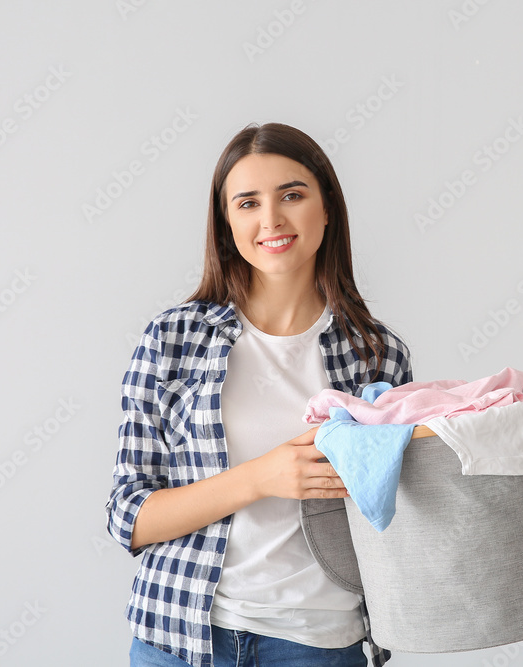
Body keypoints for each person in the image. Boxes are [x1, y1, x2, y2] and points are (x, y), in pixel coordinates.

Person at [105, 122, 413, 667]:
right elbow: (128, 516)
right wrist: (262, 477)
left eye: (292, 195)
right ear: (227, 224)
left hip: (319, 643)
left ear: (327, 209)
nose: (271, 219)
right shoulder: (173, 339)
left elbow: (398, 515)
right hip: (180, 638)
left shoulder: (377, 354)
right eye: (247, 203)